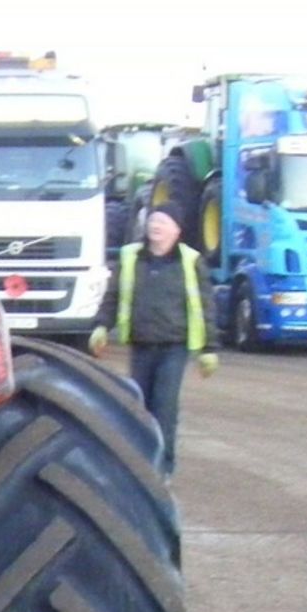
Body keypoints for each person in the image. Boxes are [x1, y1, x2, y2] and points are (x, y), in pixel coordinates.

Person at [89, 203, 217, 476]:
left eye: (163, 222)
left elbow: (205, 307)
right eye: (153, 221)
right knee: (139, 407)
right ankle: (140, 467)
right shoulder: (131, 257)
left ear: (177, 229)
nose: (156, 227)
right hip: (141, 343)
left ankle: (163, 469)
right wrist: (101, 326)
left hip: (174, 346)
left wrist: (209, 348)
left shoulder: (191, 261)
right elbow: (113, 297)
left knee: (164, 407)